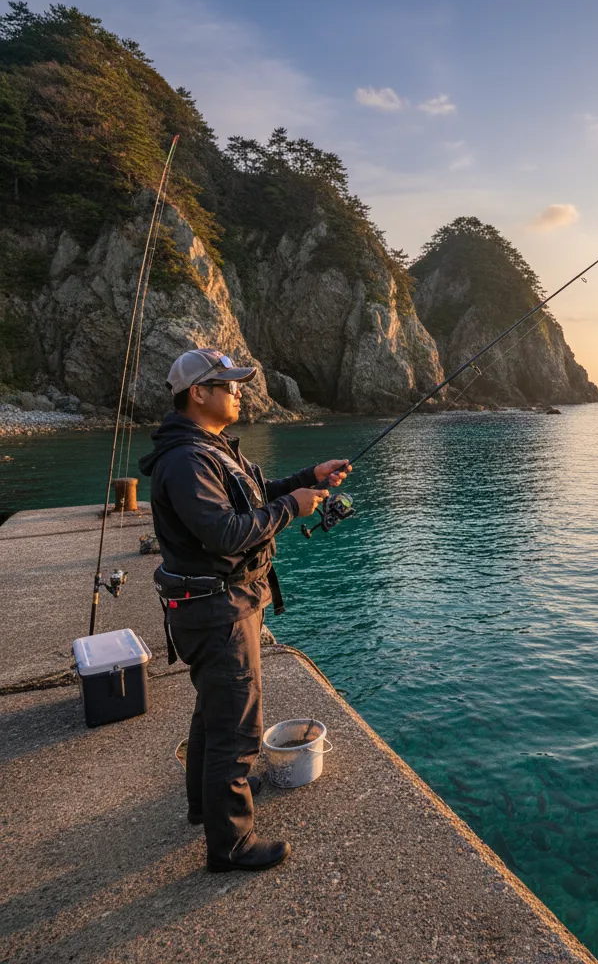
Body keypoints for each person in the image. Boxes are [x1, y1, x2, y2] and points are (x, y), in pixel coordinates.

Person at [139, 348, 351, 872]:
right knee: (235, 728)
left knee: (213, 713)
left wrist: (310, 477)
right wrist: (290, 509)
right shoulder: (188, 459)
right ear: (198, 393)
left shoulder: (209, 448)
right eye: (228, 383)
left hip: (218, 605)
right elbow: (226, 533)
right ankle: (229, 844)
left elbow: (253, 497)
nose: (239, 390)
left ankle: (201, 805)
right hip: (218, 609)